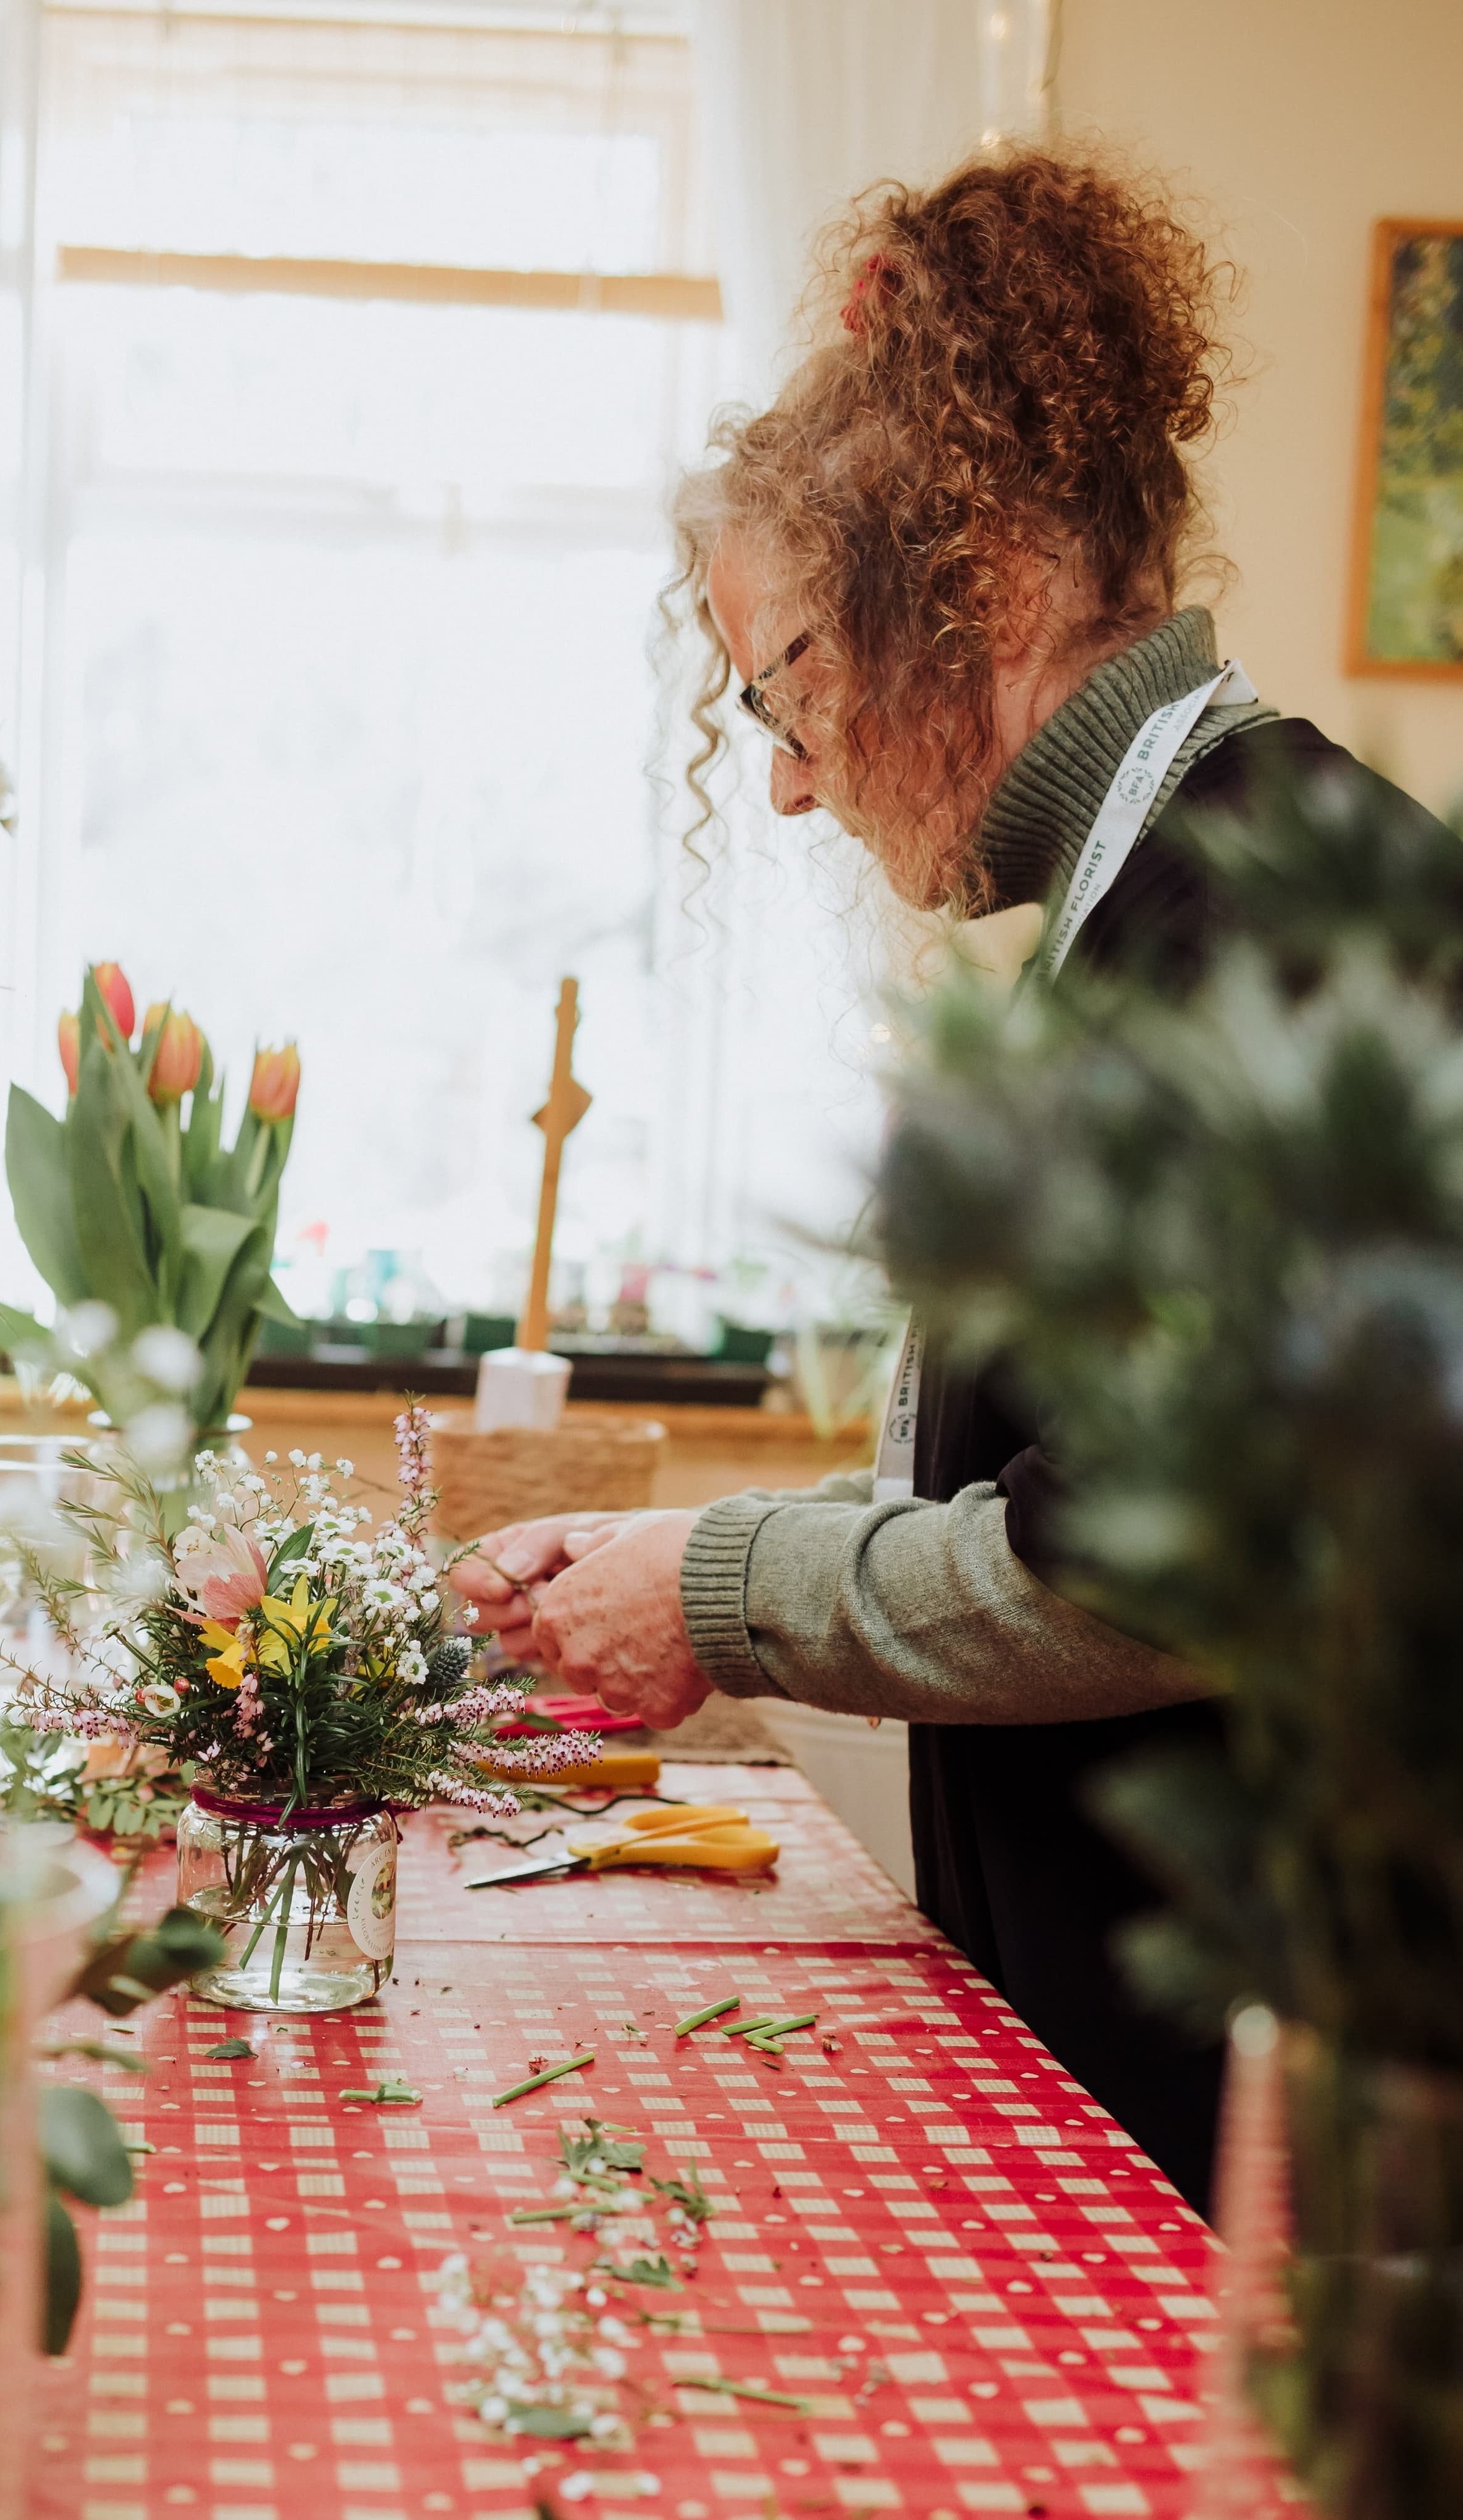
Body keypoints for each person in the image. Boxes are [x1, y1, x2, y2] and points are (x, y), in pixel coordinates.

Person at [448, 145, 1454, 2216]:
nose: (795, 776)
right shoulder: (1177, 902)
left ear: (973, 582)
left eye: (791, 676)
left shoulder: (1279, 923)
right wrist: (705, 1555)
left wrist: (718, 1593)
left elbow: (1144, 1562)